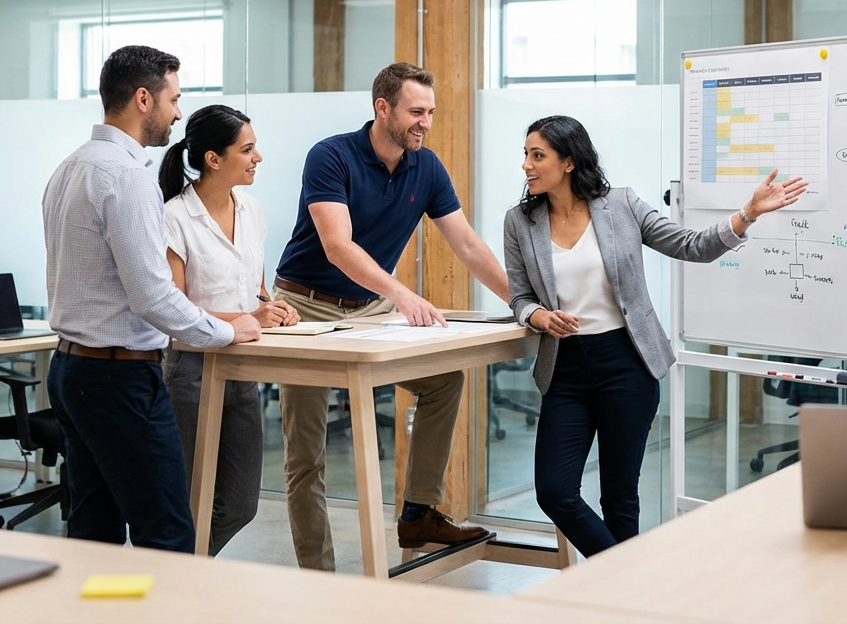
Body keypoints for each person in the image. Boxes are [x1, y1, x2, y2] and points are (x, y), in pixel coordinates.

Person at [502, 115, 806, 558]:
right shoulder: (520, 221)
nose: (527, 166)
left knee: (620, 499)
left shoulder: (621, 205)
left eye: (537, 155)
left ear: (568, 162)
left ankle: (623, 602)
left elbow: (692, 245)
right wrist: (538, 318)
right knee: (554, 491)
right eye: (526, 156)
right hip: (564, 370)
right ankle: (630, 578)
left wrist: (747, 214)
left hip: (626, 364)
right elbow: (520, 296)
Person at [271, 62, 511, 571]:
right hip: (305, 306)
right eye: (416, 111)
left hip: (371, 306)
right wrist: (403, 295)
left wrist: (522, 300)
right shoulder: (330, 156)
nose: (426, 122)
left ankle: (418, 513)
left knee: (443, 380)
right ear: (383, 108)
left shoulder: (426, 166)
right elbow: (338, 247)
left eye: (430, 112)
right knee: (305, 455)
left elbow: (465, 242)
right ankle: (320, 575)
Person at [42, 45, 262, 554]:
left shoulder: (70, 166)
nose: (179, 113)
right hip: (120, 379)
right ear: (144, 99)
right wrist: (229, 329)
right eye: (173, 99)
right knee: (167, 531)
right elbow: (153, 295)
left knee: (92, 531)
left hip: (71, 371)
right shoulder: (126, 177)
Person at [157, 104, 299, 556]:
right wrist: (246, 320)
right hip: (192, 370)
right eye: (248, 149)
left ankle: (179, 568)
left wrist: (271, 308)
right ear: (213, 159)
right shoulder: (174, 217)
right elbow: (174, 311)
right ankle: (176, 583)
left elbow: (252, 288)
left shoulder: (252, 210)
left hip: (241, 368)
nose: (258, 158)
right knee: (188, 499)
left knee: (240, 502)